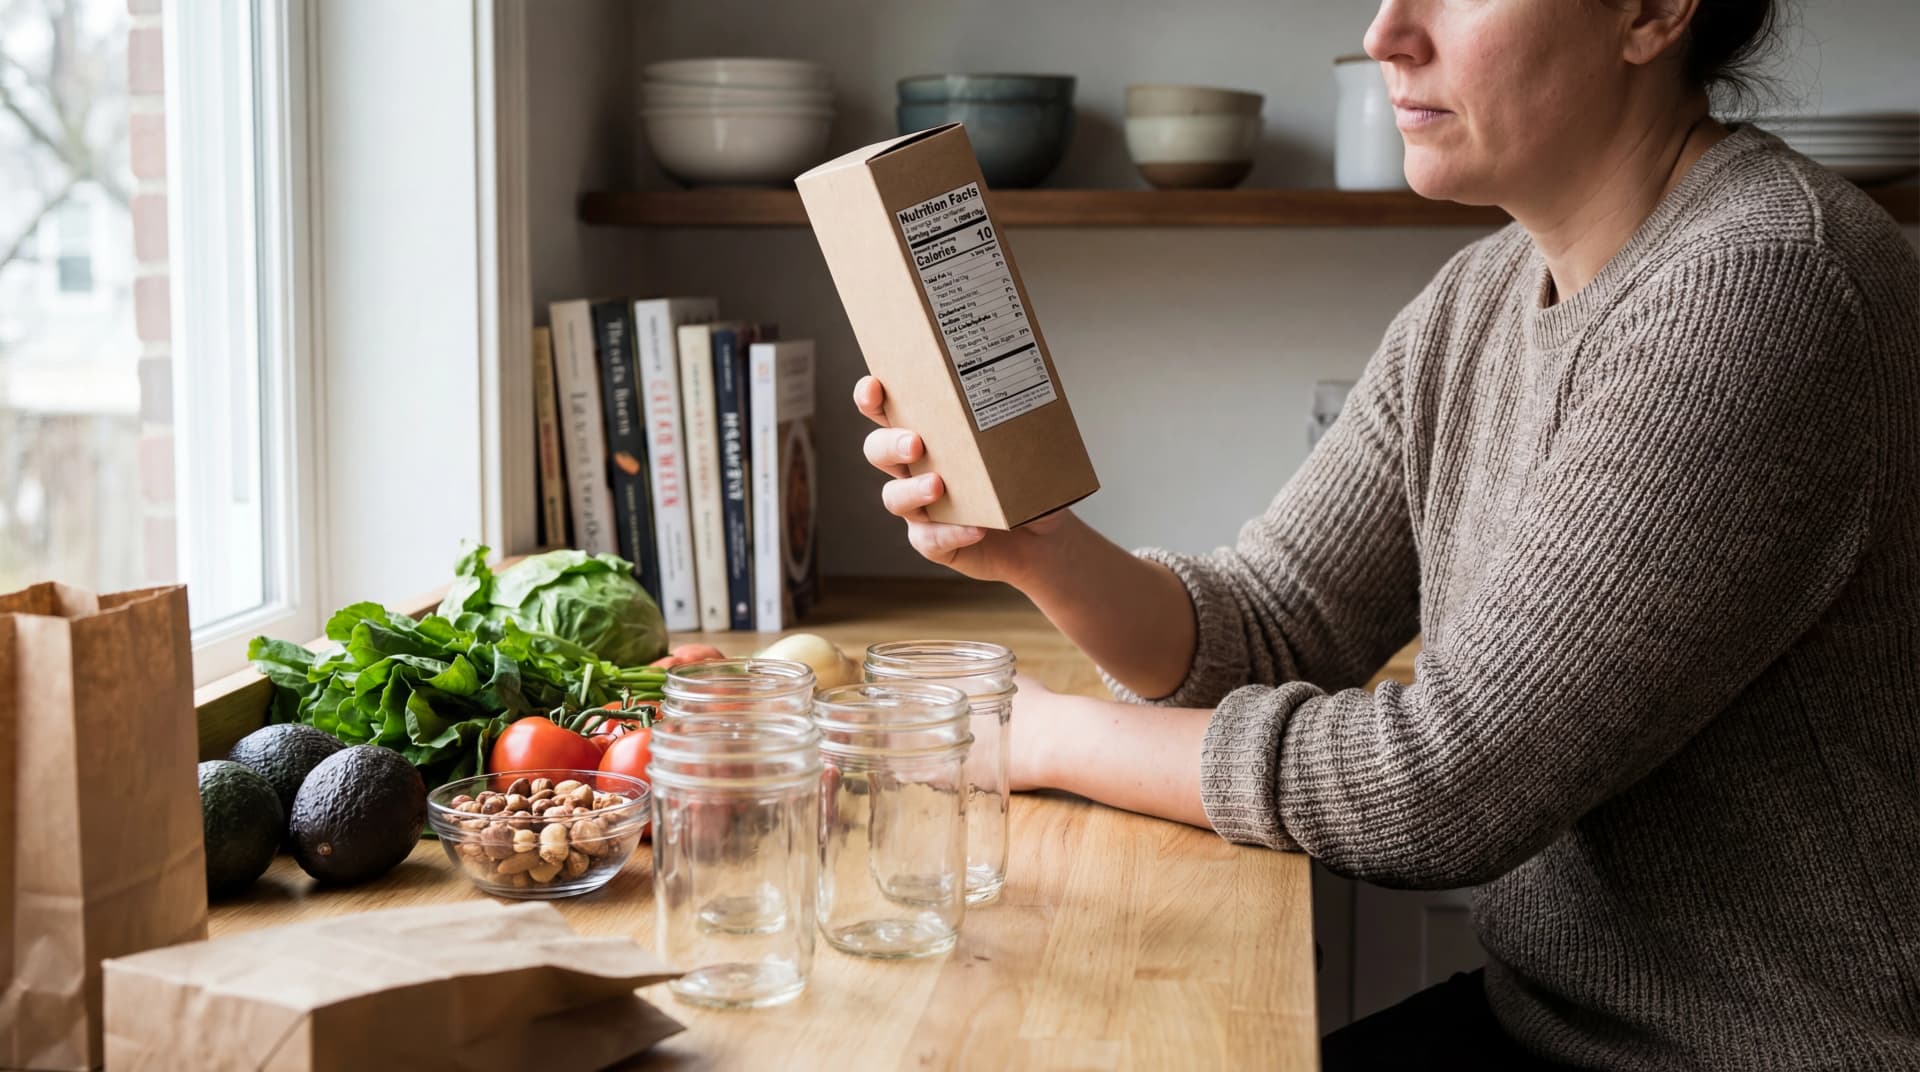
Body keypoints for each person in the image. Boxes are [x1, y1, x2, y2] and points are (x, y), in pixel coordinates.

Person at [853, 0, 1920, 1066]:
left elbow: (1445, 787)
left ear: (1648, 14)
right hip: (1557, 1028)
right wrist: (1043, 547)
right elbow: (1271, 628)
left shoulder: (1770, 281)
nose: (1384, 34)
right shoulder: (1483, 295)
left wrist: (1043, 737)